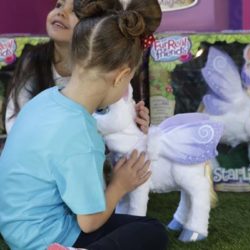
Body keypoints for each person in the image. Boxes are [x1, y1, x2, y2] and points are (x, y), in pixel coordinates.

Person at [0, 0, 168, 249]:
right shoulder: (81, 135)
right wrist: (120, 184)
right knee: (153, 234)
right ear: (121, 76)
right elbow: (89, 222)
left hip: (15, 226)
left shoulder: (47, 99)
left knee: (147, 226)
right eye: (128, 80)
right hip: (42, 239)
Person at [5, 0, 150, 134]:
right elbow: (15, 121)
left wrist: (132, 123)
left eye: (75, 11)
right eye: (59, 5)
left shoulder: (109, 71)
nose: (61, 12)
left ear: (99, 27)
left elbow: (117, 126)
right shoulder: (32, 61)